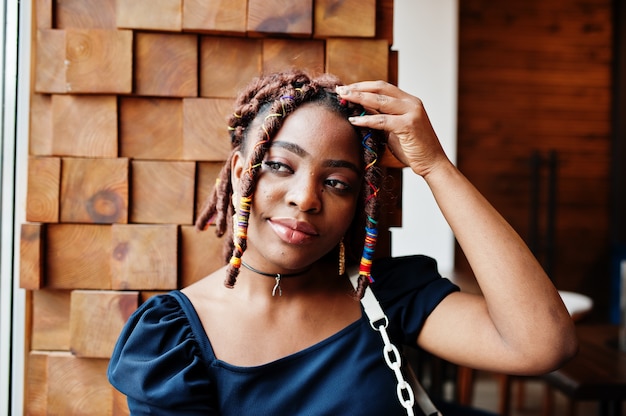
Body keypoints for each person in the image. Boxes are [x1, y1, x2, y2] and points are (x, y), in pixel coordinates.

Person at [107, 70, 577, 415]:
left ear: (359, 202)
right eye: (280, 166)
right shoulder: (171, 342)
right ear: (238, 172)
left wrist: (435, 166)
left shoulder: (385, 295)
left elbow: (542, 344)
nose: (305, 198)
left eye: (337, 183)